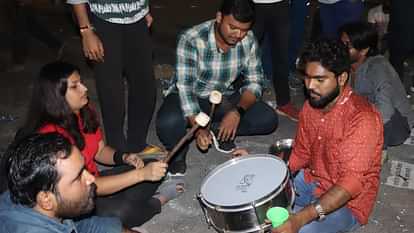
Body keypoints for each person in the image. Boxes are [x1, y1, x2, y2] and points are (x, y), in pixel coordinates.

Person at [17, 61, 183, 228]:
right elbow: (87, 184)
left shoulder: (84, 110)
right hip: (75, 196)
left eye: (81, 82)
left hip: (94, 179)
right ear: (56, 95)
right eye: (75, 86)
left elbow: (100, 150)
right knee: (123, 212)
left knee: (154, 165)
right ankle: (158, 201)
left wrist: (124, 157)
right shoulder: (51, 137)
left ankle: (133, 198)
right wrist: (140, 176)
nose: (85, 88)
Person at [272, 39, 383, 233]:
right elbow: (301, 152)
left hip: (347, 203)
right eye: (307, 77)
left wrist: (301, 218)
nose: (310, 86)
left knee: (297, 229)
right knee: (262, 206)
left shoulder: (362, 119)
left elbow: (351, 184)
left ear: (341, 78)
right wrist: (266, 169)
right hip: (311, 181)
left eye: (319, 80)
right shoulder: (311, 106)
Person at [156, 0, 278, 176]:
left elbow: (255, 82)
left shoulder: (248, 39)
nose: (238, 35)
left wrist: (237, 112)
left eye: (244, 30)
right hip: (189, 95)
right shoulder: (192, 38)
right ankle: (179, 154)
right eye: (233, 27)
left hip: (221, 96)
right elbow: (186, 90)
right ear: (219, 17)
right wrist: (198, 128)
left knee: (268, 119)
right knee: (168, 123)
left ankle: (216, 129)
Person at [67, 0, 162, 156]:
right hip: (102, 18)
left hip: (136, 16)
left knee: (145, 86)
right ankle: (118, 152)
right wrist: (86, 30)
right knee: (111, 91)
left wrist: (144, 9)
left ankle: (136, 144)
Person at [0, 132, 139, 233]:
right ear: (46, 200)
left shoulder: (33, 196)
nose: (90, 178)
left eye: (84, 169)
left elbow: (85, 225)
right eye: (78, 176)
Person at [340, 22, 414, 153]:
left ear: (364, 50)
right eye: (341, 43)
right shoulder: (347, 64)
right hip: (368, 112)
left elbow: (386, 111)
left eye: (347, 45)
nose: (341, 48)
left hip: (396, 123)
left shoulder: (377, 67)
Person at [252, 0, 300, 121]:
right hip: (253, 5)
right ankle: (241, 101)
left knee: (281, 54)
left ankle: (284, 103)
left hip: (281, 4)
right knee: (246, 52)